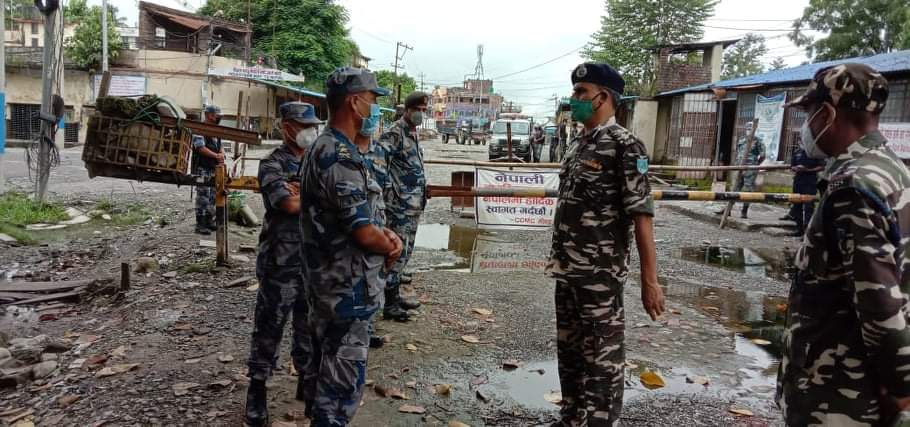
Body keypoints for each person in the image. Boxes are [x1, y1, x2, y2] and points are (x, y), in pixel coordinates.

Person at [776, 63, 910, 426]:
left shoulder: (854, 185)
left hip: (840, 392)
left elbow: (879, 302)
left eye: (808, 113)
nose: (806, 126)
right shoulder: (890, 169)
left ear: (828, 112)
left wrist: (901, 388)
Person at [546, 63, 666, 426]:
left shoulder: (626, 146)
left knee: (602, 358)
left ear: (604, 97)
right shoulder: (578, 143)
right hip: (568, 270)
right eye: (575, 91)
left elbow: (641, 216)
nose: (575, 99)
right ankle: (572, 418)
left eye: (582, 92)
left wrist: (650, 280)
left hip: (600, 275)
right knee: (570, 352)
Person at [299, 67, 403, 426]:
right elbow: (361, 230)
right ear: (354, 101)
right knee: (339, 393)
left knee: (324, 377)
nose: (375, 108)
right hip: (345, 291)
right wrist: (391, 243)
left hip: (329, 286)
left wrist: (384, 235)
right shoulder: (338, 155)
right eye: (373, 100)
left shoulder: (325, 148)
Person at [244, 102, 321, 426]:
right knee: (270, 328)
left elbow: (327, 197)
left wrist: (306, 192)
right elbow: (287, 203)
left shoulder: (316, 162)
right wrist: (312, 196)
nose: (310, 131)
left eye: (312, 125)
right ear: (286, 127)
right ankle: (256, 393)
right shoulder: (271, 164)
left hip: (313, 261)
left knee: (310, 328)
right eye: (303, 125)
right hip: (280, 261)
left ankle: (308, 386)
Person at [379, 91, 429, 322]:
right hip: (398, 206)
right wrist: (391, 193)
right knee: (395, 252)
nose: (421, 114)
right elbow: (379, 165)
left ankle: (395, 295)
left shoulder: (412, 133)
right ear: (408, 110)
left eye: (424, 110)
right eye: (418, 109)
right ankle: (389, 304)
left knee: (406, 252)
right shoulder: (394, 132)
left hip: (413, 205)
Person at [360, 131, 391, 349]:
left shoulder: (378, 149)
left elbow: (382, 187)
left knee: (372, 285)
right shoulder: (338, 153)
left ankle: (367, 331)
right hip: (357, 229)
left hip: (376, 224)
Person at [191, 105, 225, 235]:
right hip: (202, 168)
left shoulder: (215, 130)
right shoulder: (200, 129)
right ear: (209, 115)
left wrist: (221, 154)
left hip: (213, 168)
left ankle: (209, 222)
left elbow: (219, 145)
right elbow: (200, 148)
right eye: (217, 115)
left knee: (212, 197)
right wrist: (216, 156)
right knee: (203, 197)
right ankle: (200, 225)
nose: (219, 117)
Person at [782, 144, 824, 237]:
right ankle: (799, 229)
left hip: (810, 182)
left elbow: (822, 166)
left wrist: (808, 170)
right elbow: (792, 166)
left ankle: (807, 232)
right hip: (798, 181)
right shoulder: (797, 152)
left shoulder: (814, 153)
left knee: (809, 207)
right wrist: (795, 168)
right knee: (797, 206)